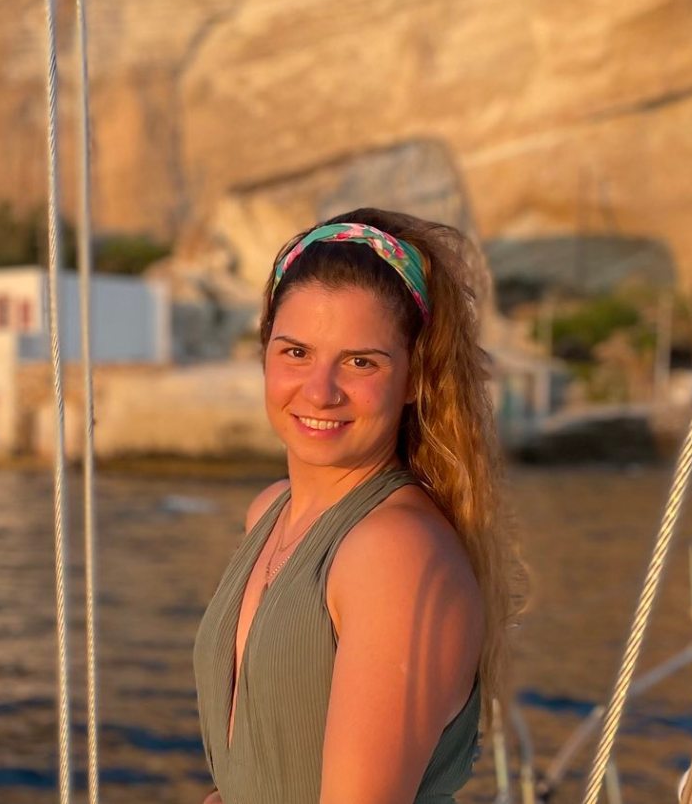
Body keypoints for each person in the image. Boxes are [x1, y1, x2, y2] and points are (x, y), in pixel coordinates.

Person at [192, 208, 522, 804]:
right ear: (264, 349)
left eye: (360, 361)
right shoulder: (269, 513)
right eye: (295, 352)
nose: (320, 390)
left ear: (416, 378)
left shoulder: (392, 553)